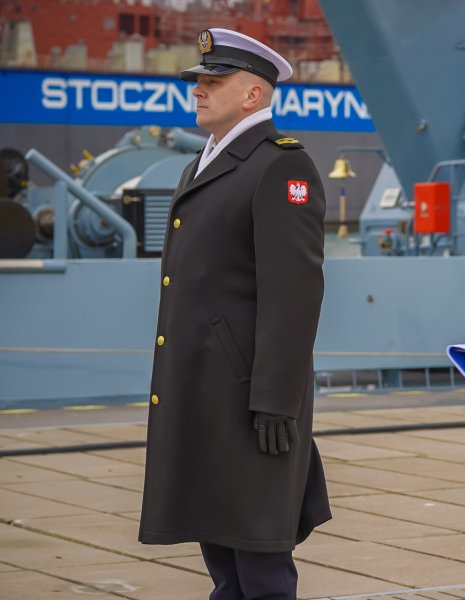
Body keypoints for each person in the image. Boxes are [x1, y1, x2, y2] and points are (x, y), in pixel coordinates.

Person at [138, 28, 330, 600]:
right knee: (224, 560)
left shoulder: (279, 168)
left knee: (261, 569)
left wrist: (274, 400)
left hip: (251, 406)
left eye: (212, 82)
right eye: (198, 81)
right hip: (204, 395)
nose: (198, 90)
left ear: (252, 95)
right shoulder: (203, 163)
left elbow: (293, 296)